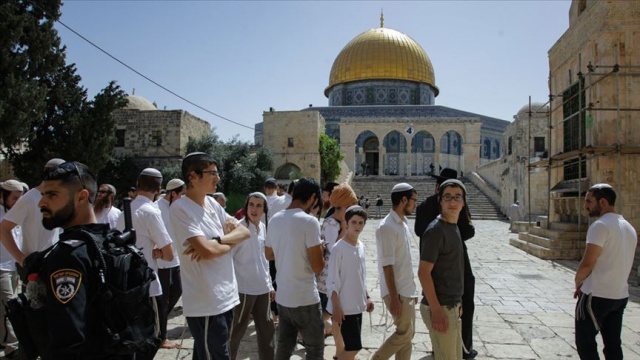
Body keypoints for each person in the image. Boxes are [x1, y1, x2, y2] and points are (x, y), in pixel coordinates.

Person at [31, 161, 131, 359]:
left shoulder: (68, 256)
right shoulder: (112, 242)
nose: (41, 203)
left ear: (81, 197)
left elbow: (68, 339)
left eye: (52, 195)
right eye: (43, 195)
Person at [171, 152, 250, 360]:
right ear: (193, 176)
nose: (218, 178)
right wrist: (225, 241)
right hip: (206, 301)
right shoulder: (181, 208)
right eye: (212, 173)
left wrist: (218, 241)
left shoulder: (212, 204)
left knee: (206, 353)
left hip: (226, 295)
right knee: (217, 355)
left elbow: (244, 232)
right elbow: (206, 252)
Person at [414, 167, 477, 359]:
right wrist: (436, 309)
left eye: (457, 197)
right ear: (440, 198)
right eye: (447, 196)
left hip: (451, 302)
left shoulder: (451, 224)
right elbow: (423, 272)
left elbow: (418, 231)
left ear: (463, 201)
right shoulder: (439, 229)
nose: (452, 201)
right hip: (441, 305)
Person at [116, 168, 175, 360]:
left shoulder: (122, 212)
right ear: (158, 189)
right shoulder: (150, 212)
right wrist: (156, 252)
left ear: (138, 184)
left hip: (123, 284)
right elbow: (169, 254)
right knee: (151, 337)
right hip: (146, 286)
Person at [574, 183, 637, 360]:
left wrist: (578, 282)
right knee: (613, 344)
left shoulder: (600, 226)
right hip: (619, 296)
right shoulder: (628, 227)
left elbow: (587, 263)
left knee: (585, 342)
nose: (585, 206)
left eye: (589, 201)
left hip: (596, 295)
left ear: (602, 202)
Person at [265, 178, 325, 360]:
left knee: (284, 348)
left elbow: (269, 255)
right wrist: (320, 249)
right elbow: (317, 266)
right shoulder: (309, 222)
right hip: (305, 298)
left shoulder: (275, 219)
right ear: (313, 197)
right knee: (314, 349)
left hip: (284, 297)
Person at [371, 182, 418, 360]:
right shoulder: (387, 227)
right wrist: (395, 298)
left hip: (406, 289)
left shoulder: (402, 224)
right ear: (404, 199)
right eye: (413, 200)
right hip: (396, 291)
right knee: (405, 334)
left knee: (407, 337)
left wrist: (412, 290)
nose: (415, 204)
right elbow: (387, 265)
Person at [229, 192, 275, 360]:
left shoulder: (263, 228)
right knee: (236, 330)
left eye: (258, 205)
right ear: (246, 206)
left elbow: (265, 261)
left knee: (267, 330)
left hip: (262, 289)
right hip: (243, 289)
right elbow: (228, 259)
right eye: (251, 204)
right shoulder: (237, 229)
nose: (254, 209)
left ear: (264, 209)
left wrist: (269, 284)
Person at [1, 158, 64, 275]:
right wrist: (22, 260)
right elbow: (4, 229)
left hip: (52, 266)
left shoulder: (58, 199)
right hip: (34, 271)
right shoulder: (29, 199)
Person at [327, 205, 374, 360]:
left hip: (357, 304)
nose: (357, 226)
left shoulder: (361, 246)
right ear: (346, 223)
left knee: (348, 346)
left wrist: (367, 297)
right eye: (354, 222)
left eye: (361, 223)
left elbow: (361, 275)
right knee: (354, 346)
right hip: (344, 307)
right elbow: (332, 280)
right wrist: (336, 306)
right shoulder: (338, 248)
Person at [318, 184, 358, 355]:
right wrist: (344, 228)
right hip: (329, 278)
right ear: (343, 206)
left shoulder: (341, 223)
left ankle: (338, 350)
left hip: (341, 277)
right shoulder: (330, 224)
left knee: (332, 315)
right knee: (332, 313)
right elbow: (334, 250)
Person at [156, 178, 185, 350]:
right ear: (173, 193)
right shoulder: (157, 208)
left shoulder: (176, 207)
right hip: (162, 262)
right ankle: (161, 336)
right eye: (181, 194)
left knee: (177, 291)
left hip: (175, 259)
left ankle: (159, 323)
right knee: (163, 298)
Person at [0, 180, 24, 358]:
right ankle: (12, 347)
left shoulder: (17, 214)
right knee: (10, 306)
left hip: (15, 267)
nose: (18, 201)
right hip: (1, 269)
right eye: (15, 198)